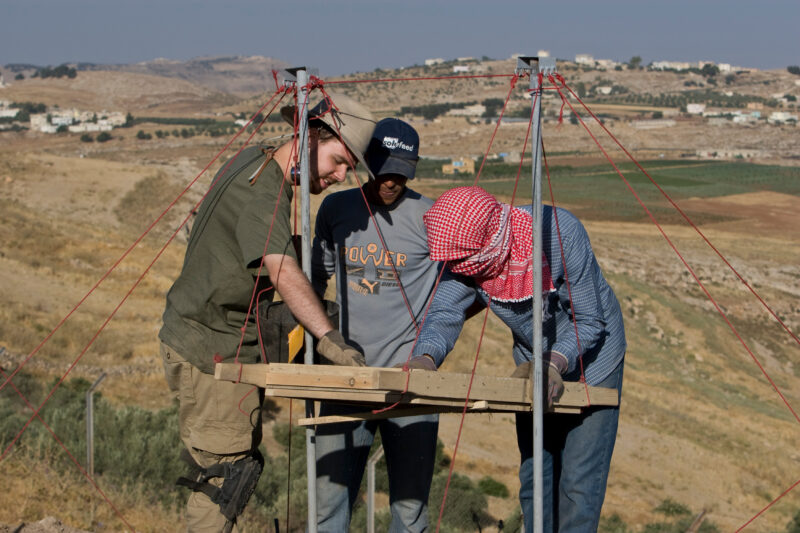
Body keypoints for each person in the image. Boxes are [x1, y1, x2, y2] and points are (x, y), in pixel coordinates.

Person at [158, 92, 375, 533]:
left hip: (210, 338)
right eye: (338, 161)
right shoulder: (263, 192)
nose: (339, 176)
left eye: (348, 169)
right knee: (224, 479)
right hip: (214, 349)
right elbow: (281, 268)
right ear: (312, 136)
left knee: (225, 470)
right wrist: (328, 338)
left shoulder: (253, 160)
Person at [412, 186, 626, 533]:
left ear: (492, 237)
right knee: (535, 476)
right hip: (533, 360)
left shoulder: (559, 234)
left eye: (467, 262)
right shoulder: (466, 251)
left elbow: (589, 321)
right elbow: (444, 313)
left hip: (595, 358)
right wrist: (424, 358)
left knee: (578, 483)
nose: (463, 269)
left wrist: (555, 363)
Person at [310, 118, 441, 532]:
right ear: (366, 163)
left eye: (401, 173)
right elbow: (313, 280)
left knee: (410, 511)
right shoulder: (336, 209)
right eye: (383, 171)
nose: (391, 182)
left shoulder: (431, 218)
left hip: (410, 386)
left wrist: (428, 353)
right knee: (329, 505)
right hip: (344, 380)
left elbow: (458, 297)